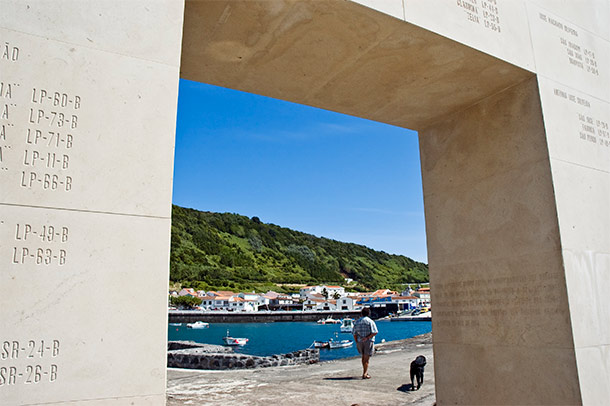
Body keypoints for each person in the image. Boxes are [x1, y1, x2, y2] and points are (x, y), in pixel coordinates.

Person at [353, 307, 378, 379]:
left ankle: (364, 371)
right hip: (368, 341)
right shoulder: (370, 321)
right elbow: (375, 332)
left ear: (361, 313)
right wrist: (367, 337)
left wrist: (357, 341)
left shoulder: (356, 322)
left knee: (363, 356)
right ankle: (365, 373)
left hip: (359, 341)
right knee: (367, 357)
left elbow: (354, 333)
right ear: (368, 313)